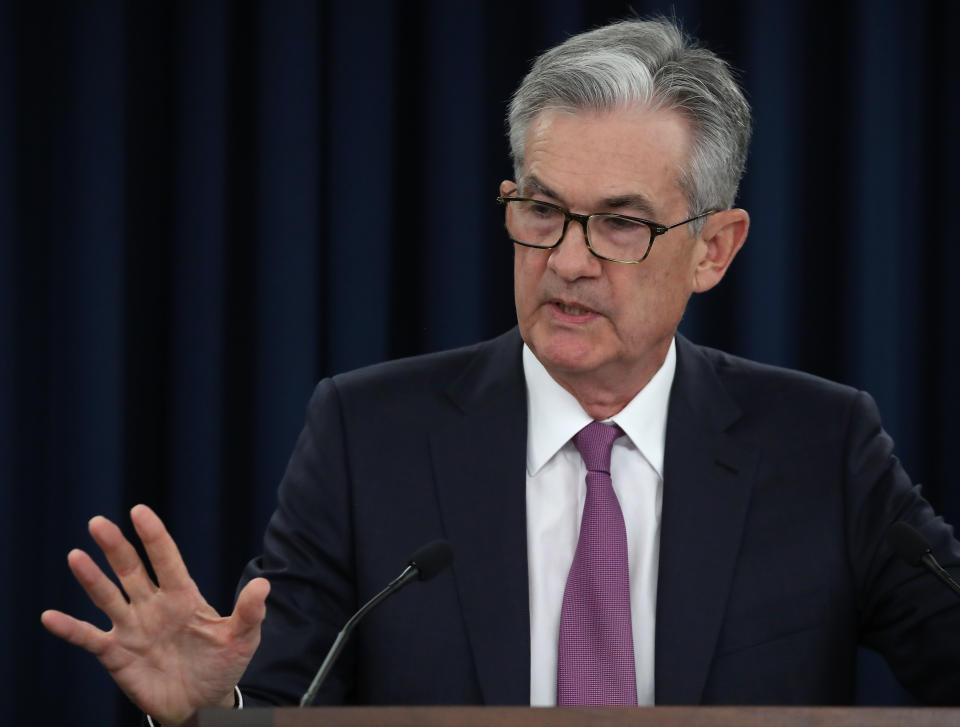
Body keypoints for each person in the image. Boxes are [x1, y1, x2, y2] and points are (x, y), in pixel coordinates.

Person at [41, 16, 960, 725]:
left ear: (714, 249)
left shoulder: (822, 447)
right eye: (543, 210)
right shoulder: (370, 437)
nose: (567, 258)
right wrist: (214, 712)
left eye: (621, 224)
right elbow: (281, 699)